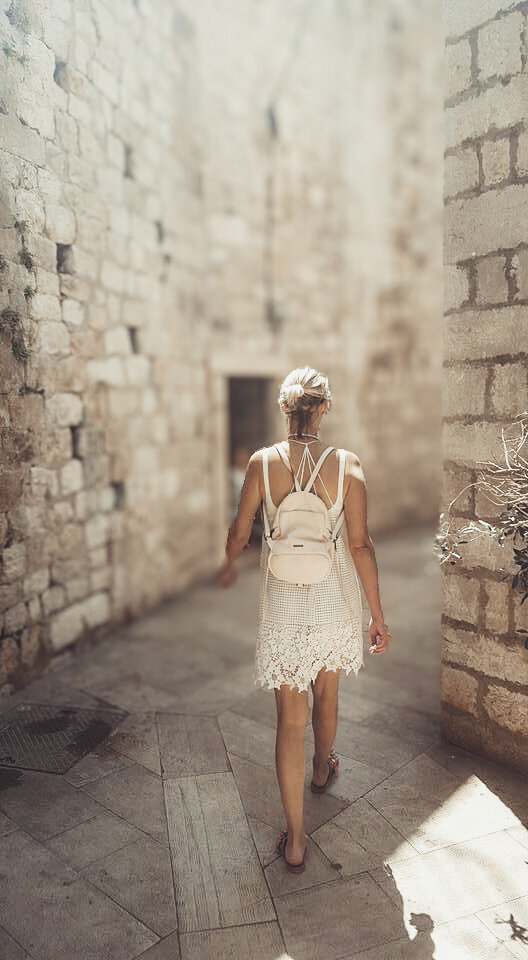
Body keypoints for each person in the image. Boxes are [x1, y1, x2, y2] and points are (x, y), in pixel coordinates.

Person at [216, 366, 391, 873]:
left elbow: (239, 532)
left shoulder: (260, 463)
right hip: (332, 599)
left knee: (289, 722)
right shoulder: (347, 465)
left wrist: (228, 565)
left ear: (283, 409)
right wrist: (376, 615)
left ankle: (295, 839)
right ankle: (321, 770)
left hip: (283, 604)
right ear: (325, 408)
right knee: (327, 692)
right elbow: (360, 544)